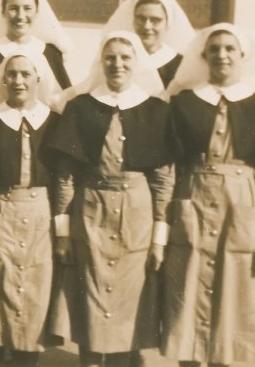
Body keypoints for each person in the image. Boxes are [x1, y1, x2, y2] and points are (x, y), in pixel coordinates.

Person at [161, 23, 255, 367]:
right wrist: (164, 224)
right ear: (203, 56)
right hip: (192, 202)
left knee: (232, 307)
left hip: (240, 209)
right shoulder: (183, 103)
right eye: (214, 49)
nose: (222, 55)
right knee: (187, 302)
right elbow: (167, 168)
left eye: (230, 49)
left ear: (242, 56)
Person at [46, 31, 174, 367]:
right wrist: (63, 234)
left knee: (130, 305)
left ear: (136, 63)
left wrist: (159, 239)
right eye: (110, 57)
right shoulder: (81, 107)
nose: (117, 64)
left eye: (125, 57)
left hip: (137, 216)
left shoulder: (155, 110)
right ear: (101, 62)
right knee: (89, 301)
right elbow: (65, 177)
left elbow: (164, 181)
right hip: (90, 213)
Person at [0, 51, 64, 367]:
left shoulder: (54, 122)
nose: (18, 81)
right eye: (11, 74)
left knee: (33, 292)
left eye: (25, 74)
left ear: (38, 79)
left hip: (40, 214)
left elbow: (63, 179)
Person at [0, 0, 73, 91]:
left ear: (37, 12)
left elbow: (65, 96)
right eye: (13, 8)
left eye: (27, 8)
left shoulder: (51, 53)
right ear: (3, 11)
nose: (20, 16)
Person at [103, 0, 195, 88]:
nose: (147, 26)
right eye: (141, 19)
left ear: (168, 22)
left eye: (155, 20)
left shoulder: (181, 65)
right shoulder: (118, 60)